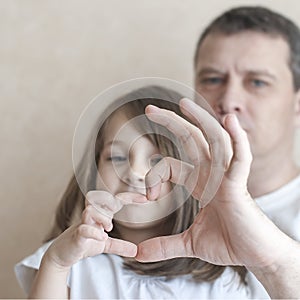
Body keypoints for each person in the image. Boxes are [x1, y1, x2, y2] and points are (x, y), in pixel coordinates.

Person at [14, 86, 251, 299]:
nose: (135, 173)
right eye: (116, 157)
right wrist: (55, 263)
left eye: (158, 160)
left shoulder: (219, 278)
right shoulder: (69, 263)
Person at [135, 6, 300, 299]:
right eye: (212, 80)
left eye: (257, 82)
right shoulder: (148, 204)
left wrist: (276, 267)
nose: (229, 100)